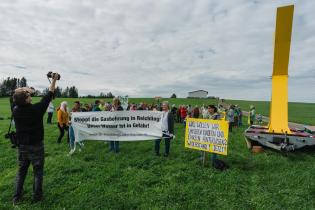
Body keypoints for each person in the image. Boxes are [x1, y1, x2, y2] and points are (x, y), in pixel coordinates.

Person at [12, 73, 59, 204]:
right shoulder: (36, 109)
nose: (30, 95)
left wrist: (26, 90)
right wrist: (54, 79)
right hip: (36, 146)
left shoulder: (15, 109)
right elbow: (50, 93)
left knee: (21, 172)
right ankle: (37, 197)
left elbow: (15, 94)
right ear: (27, 100)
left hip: (22, 146)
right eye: (28, 95)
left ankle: (16, 198)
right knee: (38, 172)